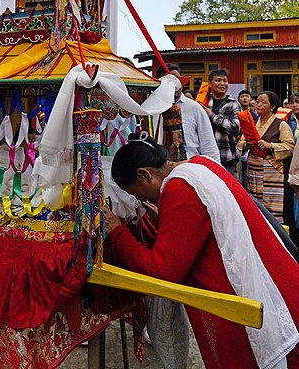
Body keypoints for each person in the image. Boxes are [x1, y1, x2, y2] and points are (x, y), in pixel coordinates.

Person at [105, 134, 299, 369]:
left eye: (137, 194)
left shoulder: (179, 189)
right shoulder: (200, 164)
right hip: (283, 284)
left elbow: (163, 271)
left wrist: (117, 232)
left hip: (263, 309)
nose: (142, 200)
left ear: (145, 175)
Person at [239, 91, 295, 237]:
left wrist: (270, 146)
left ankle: (276, 236)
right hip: (253, 169)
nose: (258, 104)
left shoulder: (281, 125)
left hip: (273, 171)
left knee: (272, 205)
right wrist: (246, 144)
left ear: (273, 106)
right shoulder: (252, 122)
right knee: (255, 202)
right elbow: (240, 143)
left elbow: (290, 147)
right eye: (257, 101)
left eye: (263, 102)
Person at [158, 65, 220, 162]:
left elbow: (208, 145)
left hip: (191, 168)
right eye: (168, 82)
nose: (174, 86)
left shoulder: (194, 108)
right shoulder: (153, 109)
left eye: (177, 81)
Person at [201, 69, 240, 176]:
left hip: (226, 156)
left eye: (225, 81)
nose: (222, 84)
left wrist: (212, 116)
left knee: (228, 188)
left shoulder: (233, 104)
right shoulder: (204, 103)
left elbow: (235, 128)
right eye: (218, 80)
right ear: (209, 83)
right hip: (205, 154)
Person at [237, 89, 258, 190]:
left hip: (250, 145)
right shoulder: (235, 113)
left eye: (247, 96)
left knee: (246, 174)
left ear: (250, 99)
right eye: (242, 96)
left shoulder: (254, 116)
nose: (244, 98)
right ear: (238, 99)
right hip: (237, 145)